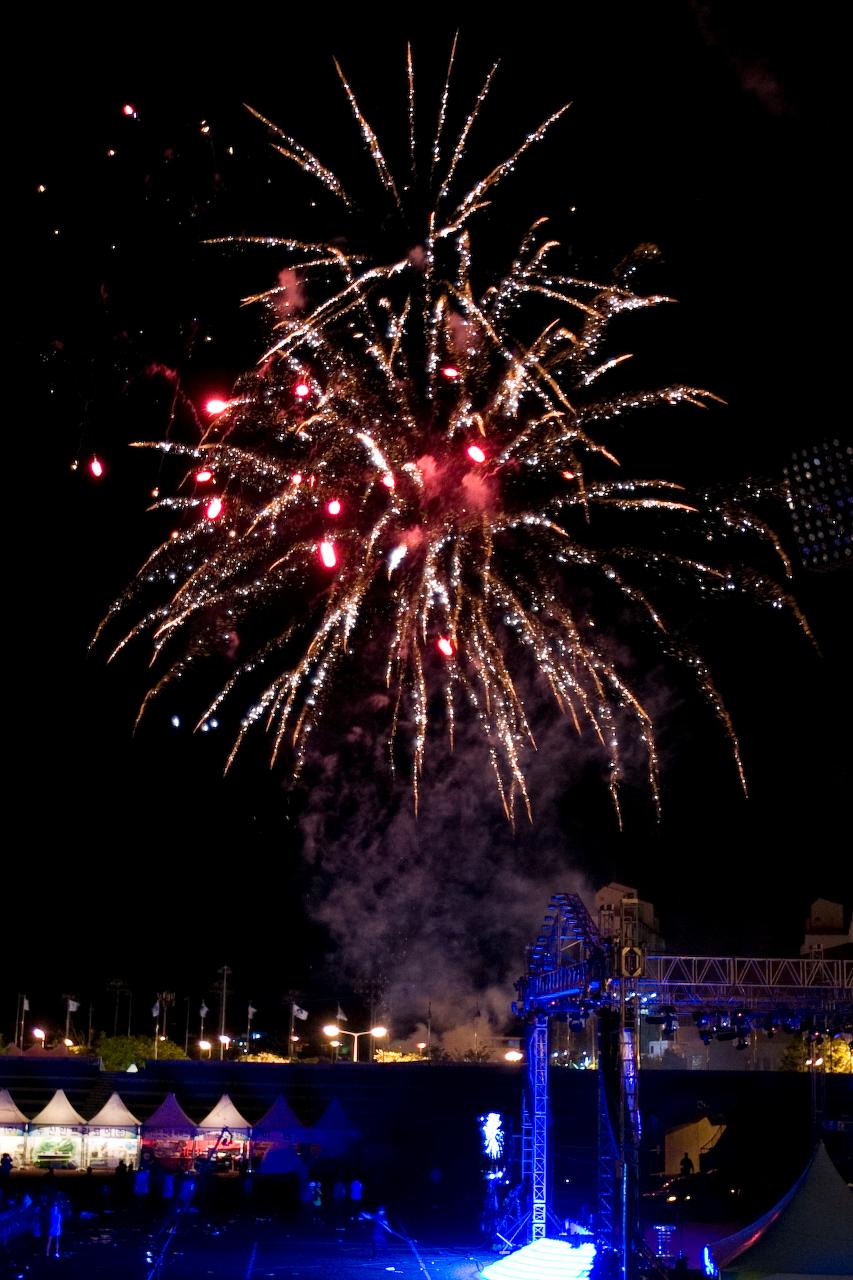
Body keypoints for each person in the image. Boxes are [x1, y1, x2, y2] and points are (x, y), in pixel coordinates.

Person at [45, 1194, 63, 1258]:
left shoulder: (55, 1213)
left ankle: (51, 1253)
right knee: (53, 1240)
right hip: (54, 1228)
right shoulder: (56, 1213)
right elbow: (56, 1221)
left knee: (54, 1240)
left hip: (55, 1228)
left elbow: (58, 1222)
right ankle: (50, 1253)